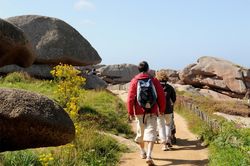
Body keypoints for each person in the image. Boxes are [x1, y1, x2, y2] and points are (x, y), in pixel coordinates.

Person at [127, 61, 166, 165]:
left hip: (139, 112)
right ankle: (149, 155)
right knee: (151, 133)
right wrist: (162, 109)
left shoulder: (135, 81)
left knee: (141, 133)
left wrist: (130, 112)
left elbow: (130, 98)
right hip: (152, 111)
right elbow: (161, 96)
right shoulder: (153, 80)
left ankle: (143, 152)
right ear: (148, 69)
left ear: (138, 70)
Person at [155, 70, 176, 150]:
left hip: (159, 109)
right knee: (168, 125)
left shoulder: (156, 87)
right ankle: (168, 140)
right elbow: (173, 99)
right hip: (168, 110)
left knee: (161, 127)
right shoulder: (170, 87)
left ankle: (164, 144)